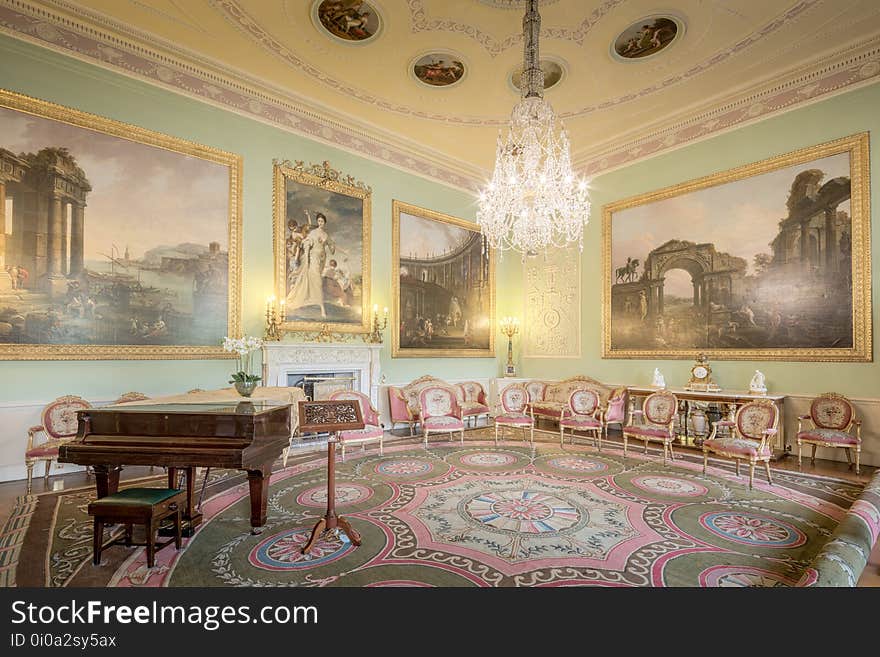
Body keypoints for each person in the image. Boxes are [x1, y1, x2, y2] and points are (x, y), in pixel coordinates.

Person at [285, 211, 335, 318]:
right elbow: (307, 245)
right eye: (319, 221)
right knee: (318, 282)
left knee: (316, 281)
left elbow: (331, 245)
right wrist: (306, 258)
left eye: (322, 221)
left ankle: (314, 301)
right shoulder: (313, 233)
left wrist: (332, 247)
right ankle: (322, 309)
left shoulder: (326, 234)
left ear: (324, 222)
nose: (320, 223)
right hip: (313, 260)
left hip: (322, 260)